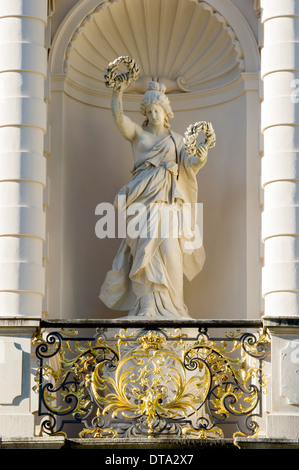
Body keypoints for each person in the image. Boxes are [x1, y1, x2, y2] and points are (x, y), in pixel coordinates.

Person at [99, 80, 209, 318]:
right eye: (148, 111)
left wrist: (199, 159)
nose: (152, 114)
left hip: (168, 206)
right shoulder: (139, 135)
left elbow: (188, 168)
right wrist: (117, 93)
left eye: (156, 110)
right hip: (141, 205)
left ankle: (175, 307)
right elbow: (120, 120)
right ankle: (146, 305)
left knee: (171, 253)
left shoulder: (177, 140)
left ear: (165, 111)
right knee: (144, 257)